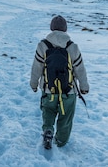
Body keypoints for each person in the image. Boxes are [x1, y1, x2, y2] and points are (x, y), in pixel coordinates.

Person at [30, 15, 89, 149]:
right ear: (65, 29)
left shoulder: (42, 45)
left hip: (48, 90)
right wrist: (84, 87)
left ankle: (48, 130)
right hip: (69, 92)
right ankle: (61, 142)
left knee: (48, 112)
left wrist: (34, 84)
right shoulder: (72, 47)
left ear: (51, 28)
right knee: (66, 118)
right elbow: (80, 69)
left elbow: (36, 68)